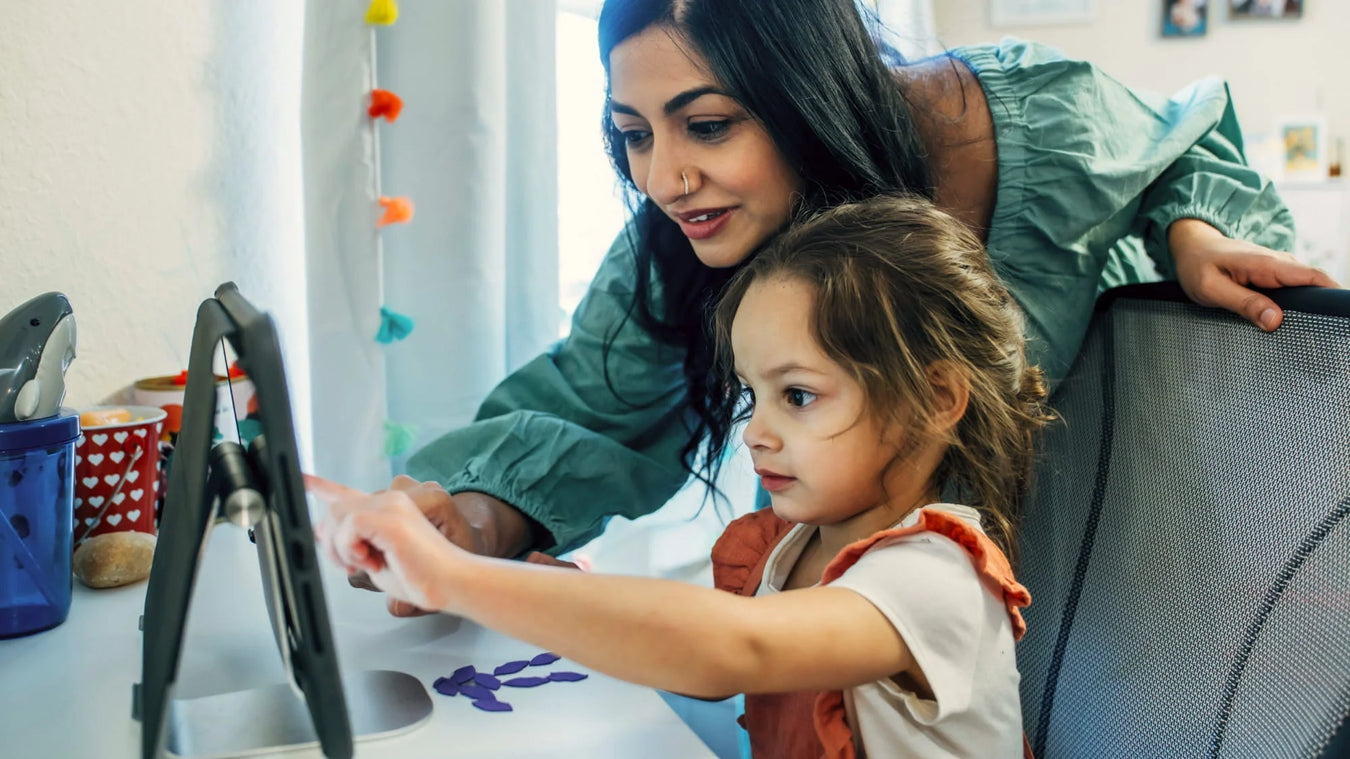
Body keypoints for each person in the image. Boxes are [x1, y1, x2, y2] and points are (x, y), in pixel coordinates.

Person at [352, 0, 1337, 610]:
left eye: (706, 124)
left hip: (1098, 571)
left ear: (809, 92)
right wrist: (471, 527)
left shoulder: (1033, 117)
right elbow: (593, 406)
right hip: (847, 612)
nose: (665, 176)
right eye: (633, 134)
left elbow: (1182, 147)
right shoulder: (689, 229)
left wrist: (1190, 228)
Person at [312, 196, 1053, 757]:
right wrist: (560, 594)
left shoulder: (938, 574)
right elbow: (702, 666)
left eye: (798, 396)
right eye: (752, 396)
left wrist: (450, 576)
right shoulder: (791, 546)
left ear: (934, 399)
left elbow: (734, 648)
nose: (756, 431)